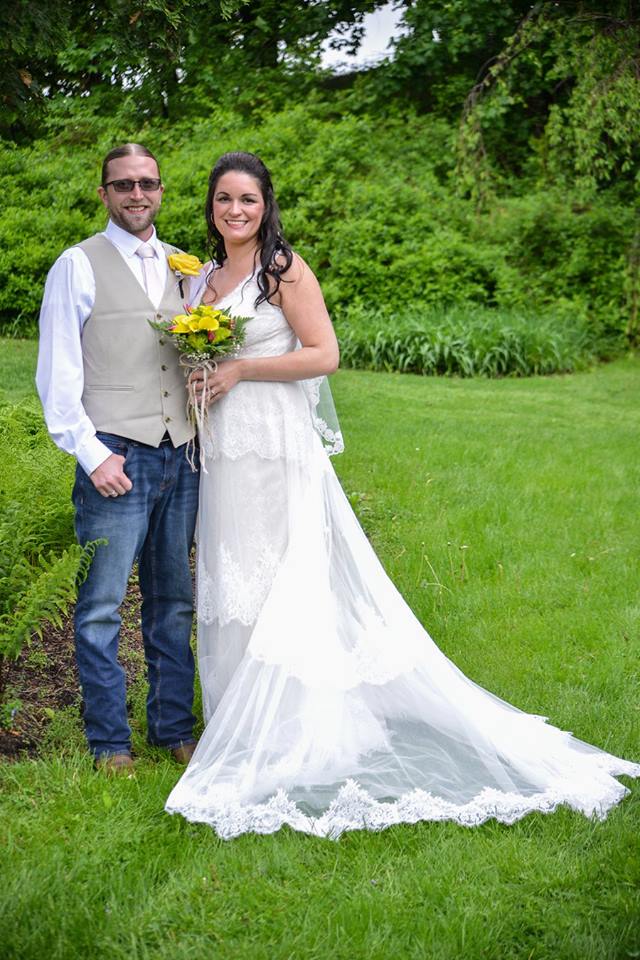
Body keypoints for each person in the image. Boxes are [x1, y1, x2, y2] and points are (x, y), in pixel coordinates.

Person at [165, 151, 640, 838]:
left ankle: (298, 728)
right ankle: (238, 723)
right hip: (224, 453)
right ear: (210, 207)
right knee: (231, 579)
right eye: (223, 199)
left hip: (276, 447)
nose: (235, 210)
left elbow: (324, 353)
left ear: (266, 206)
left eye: (248, 199)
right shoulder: (204, 278)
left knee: (280, 582)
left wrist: (240, 370)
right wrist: (202, 368)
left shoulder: (283, 269)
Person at [37, 143, 200, 774]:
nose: (137, 194)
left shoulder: (185, 267)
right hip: (116, 456)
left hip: (181, 454)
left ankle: (174, 729)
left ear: (161, 190)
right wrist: (92, 454)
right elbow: (57, 375)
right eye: (124, 184)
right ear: (104, 193)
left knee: (173, 602)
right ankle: (110, 742)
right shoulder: (77, 264)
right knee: (101, 608)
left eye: (147, 183)